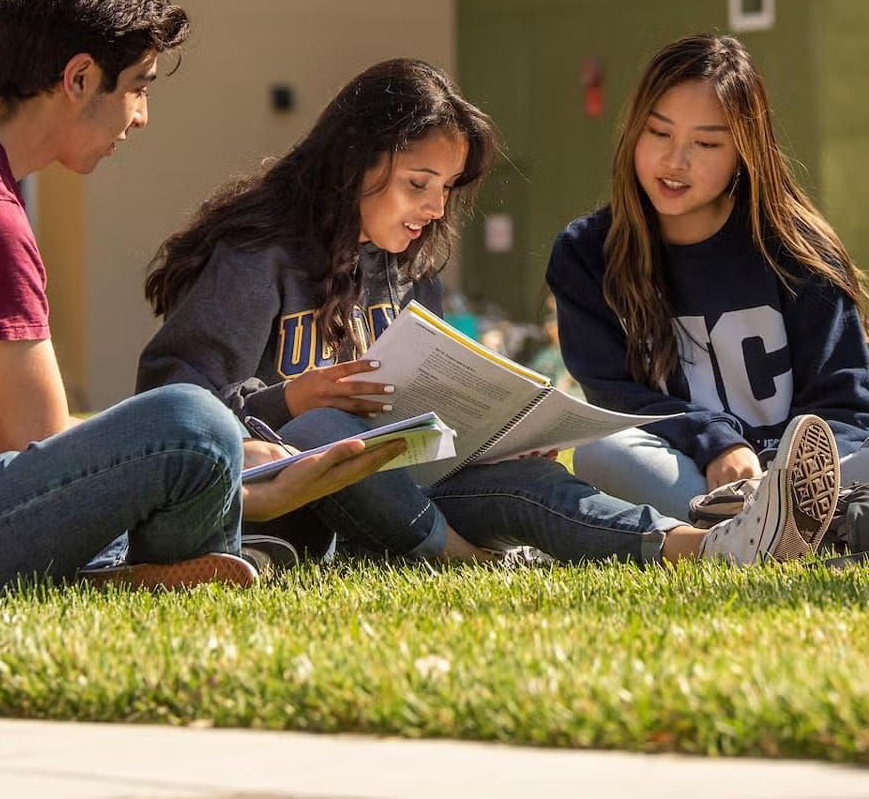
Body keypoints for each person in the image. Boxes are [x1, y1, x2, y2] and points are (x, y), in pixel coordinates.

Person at [136, 56, 840, 568]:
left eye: (447, 187)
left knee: (530, 482)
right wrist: (289, 400)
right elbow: (174, 404)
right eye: (419, 183)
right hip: (291, 488)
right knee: (330, 428)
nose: (436, 208)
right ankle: (460, 557)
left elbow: (424, 405)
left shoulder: (405, 263)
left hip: (402, 482)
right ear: (354, 164)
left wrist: (499, 433)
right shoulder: (258, 256)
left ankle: (706, 547)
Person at [0, 0, 407, 596]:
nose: (141, 115)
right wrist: (240, 478)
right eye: (139, 86)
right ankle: (163, 567)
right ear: (79, 78)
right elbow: (35, 444)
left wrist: (233, 460)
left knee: (205, 437)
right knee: (193, 420)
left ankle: (134, 570)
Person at [547, 32, 869, 522]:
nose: (676, 161)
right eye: (659, 133)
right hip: (691, 473)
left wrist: (786, 473)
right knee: (601, 452)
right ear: (633, 130)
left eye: (705, 143)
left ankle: (781, 522)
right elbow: (618, 402)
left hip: (810, 475)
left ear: (743, 151)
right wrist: (717, 445)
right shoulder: (586, 254)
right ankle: (764, 529)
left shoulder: (796, 248)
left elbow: (845, 399)